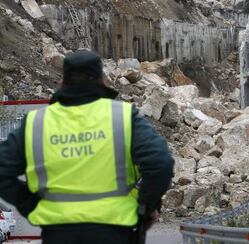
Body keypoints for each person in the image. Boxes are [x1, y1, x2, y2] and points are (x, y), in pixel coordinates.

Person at [0, 50, 174, 243]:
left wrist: (31, 205)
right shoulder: (122, 117)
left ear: (63, 82)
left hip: (58, 235)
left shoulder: (37, 123)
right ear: (102, 80)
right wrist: (146, 207)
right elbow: (160, 163)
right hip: (115, 234)